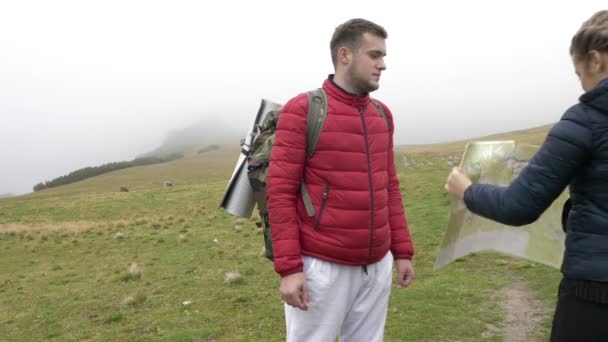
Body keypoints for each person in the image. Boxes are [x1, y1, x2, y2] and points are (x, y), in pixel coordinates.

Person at [445, 10, 608, 341]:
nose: (581, 86)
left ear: (595, 60)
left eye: (579, 75)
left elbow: (518, 205)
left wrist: (467, 190)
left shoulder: (586, 120)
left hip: (595, 293)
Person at [266, 18, 415, 341]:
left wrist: (402, 251)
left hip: (376, 266)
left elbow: (389, 185)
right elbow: (279, 193)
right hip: (322, 267)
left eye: (383, 55)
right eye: (374, 55)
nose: (383, 64)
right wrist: (290, 269)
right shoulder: (303, 109)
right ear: (345, 55)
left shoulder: (382, 114)